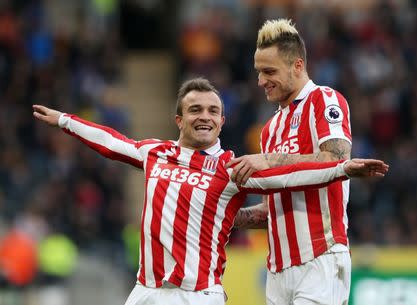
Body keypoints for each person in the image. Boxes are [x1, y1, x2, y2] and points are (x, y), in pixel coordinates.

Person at [33, 78, 388, 305]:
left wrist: (341, 168)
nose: (204, 116)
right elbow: (111, 141)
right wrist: (65, 120)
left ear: (222, 121)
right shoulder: (156, 153)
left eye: (213, 111)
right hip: (147, 291)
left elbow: (288, 177)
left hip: (199, 295)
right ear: (179, 119)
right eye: (195, 109)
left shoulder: (232, 169)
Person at [227, 19, 358, 305]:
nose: (261, 81)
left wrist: (269, 159)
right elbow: (272, 208)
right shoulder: (270, 128)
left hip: (320, 259)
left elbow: (336, 159)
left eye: (269, 71)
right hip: (277, 271)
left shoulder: (324, 100)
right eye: (259, 72)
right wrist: (226, 218)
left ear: (297, 66)